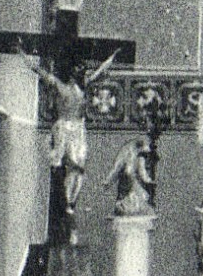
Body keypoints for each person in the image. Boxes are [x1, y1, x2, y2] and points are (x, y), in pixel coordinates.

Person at [22, 47, 119, 218]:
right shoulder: (62, 87)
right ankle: (66, 200)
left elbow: (100, 71)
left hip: (77, 129)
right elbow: (38, 70)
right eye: (78, 70)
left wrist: (112, 57)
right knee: (66, 165)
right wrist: (22, 53)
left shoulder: (82, 86)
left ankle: (70, 201)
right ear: (72, 74)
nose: (81, 72)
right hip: (64, 128)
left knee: (78, 169)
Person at [105, 136, 155, 216]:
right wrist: (109, 181)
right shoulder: (127, 155)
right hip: (127, 185)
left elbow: (142, 172)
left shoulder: (139, 157)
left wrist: (148, 180)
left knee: (139, 198)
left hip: (132, 185)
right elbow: (116, 169)